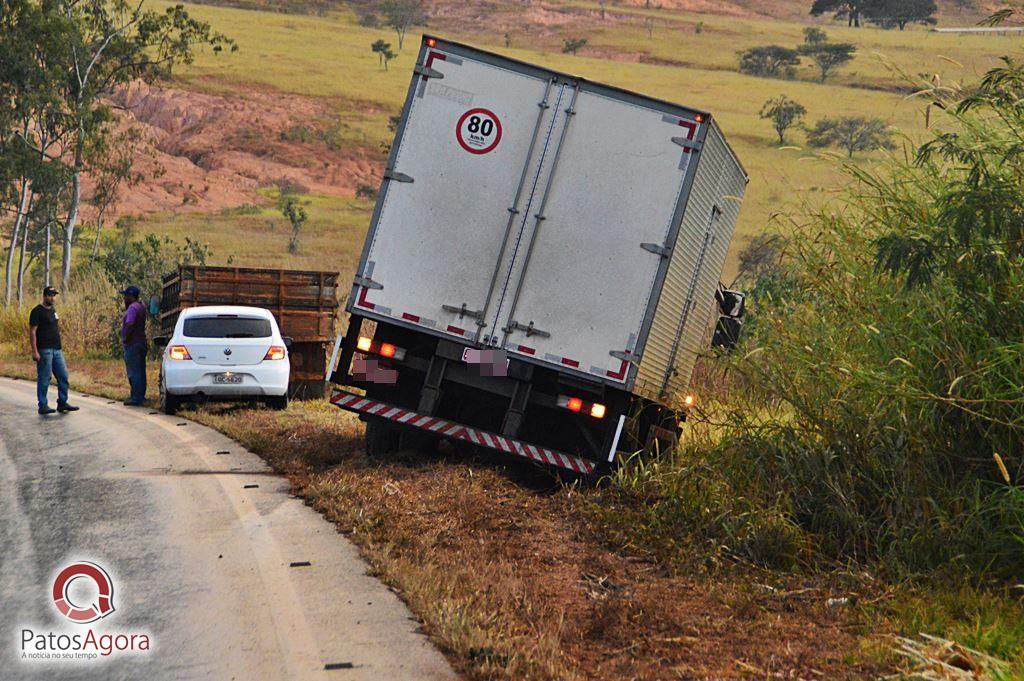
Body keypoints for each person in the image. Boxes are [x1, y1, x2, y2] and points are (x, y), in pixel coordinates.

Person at [29, 286, 79, 415]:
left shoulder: (53, 310)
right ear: (44, 296)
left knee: (63, 376)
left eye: (54, 295)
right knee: (45, 378)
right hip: (44, 349)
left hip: (57, 349)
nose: (53, 298)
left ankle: (62, 402)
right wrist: (35, 351)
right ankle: (43, 404)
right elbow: (33, 332)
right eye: (50, 295)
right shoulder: (37, 311)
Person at [120, 285, 148, 406]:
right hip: (141, 342)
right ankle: (141, 395)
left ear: (131, 296)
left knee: (134, 371)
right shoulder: (141, 306)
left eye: (126, 296)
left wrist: (125, 337)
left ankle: (136, 397)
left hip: (133, 344)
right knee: (141, 370)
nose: (124, 298)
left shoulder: (132, 308)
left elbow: (130, 323)